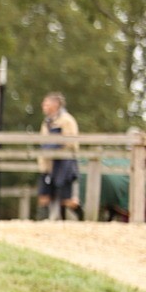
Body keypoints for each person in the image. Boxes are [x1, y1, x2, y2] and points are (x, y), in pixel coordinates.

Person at [37, 92, 83, 220]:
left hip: (64, 163)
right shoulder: (46, 122)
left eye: (47, 103)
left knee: (66, 199)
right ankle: (42, 223)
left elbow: (71, 141)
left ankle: (82, 217)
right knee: (44, 196)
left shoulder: (67, 120)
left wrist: (55, 144)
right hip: (48, 164)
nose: (43, 106)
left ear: (55, 104)